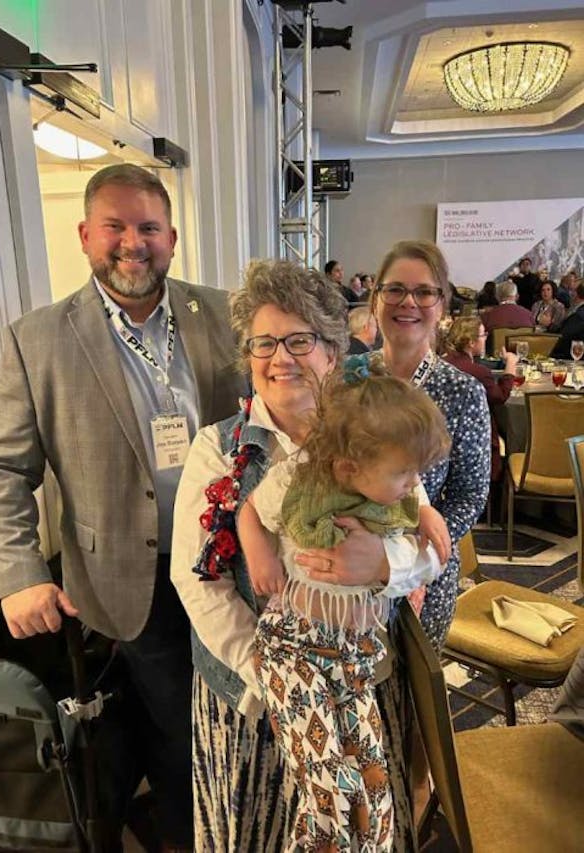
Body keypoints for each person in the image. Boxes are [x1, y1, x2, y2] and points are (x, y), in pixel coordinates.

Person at [0, 164, 245, 851]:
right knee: (182, 722)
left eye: (149, 227)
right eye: (115, 227)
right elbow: (2, 468)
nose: (133, 242)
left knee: (238, 711)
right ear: (85, 234)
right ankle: (195, 835)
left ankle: (231, 817)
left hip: (234, 562)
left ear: (172, 237)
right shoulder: (37, 341)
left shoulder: (225, 313)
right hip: (130, 575)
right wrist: (19, 571)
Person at [171, 259, 452, 852]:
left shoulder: (380, 429)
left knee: (364, 812)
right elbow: (198, 580)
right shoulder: (219, 450)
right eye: (264, 342)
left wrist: (384, 565)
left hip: (362, 677)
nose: (280, 358)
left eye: (299, 340)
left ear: (332, 350)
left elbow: (428, 546)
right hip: (253, 692)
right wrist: (277, 677)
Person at [237, 368, 451, 851]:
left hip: (354, 659)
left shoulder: (398, 492)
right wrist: (261, 554)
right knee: (331, 796)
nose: (414, 483)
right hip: (293, 650)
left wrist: (423, 514)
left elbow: (434, 558)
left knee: (375, 796)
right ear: (351, 466)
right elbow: (249, 511)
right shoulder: (299, 477)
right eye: (405, 473)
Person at [364, 240, 491, 650]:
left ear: (443, 306)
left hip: (423, 572)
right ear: (375, 298)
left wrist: (421, 546)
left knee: (411, 704)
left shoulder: (462, 392)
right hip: (349, 564)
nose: (408, 303)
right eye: (395, 289)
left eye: (424, 292)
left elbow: (470, 493)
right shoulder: (347, 378)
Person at [443, 317, 517, 480]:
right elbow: (500, 397)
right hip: (474, 443)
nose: (485, 339)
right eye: (483, 335)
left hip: (443, 439)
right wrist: (511, 365)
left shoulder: (443, 362)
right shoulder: (478, 373)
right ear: (471, 342)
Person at [551, 281, 584, 359]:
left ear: (575, 294)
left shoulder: (579, 315)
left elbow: (563, 338)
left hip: (569, 357)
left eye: (571, 290)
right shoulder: (577, 312)